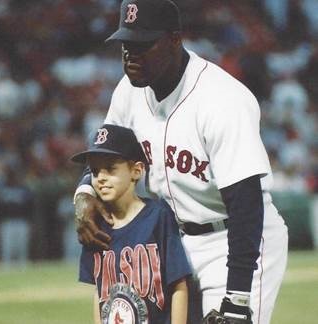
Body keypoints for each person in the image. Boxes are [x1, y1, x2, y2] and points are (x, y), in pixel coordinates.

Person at [74, 0, 288, 323]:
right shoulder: (127, 93)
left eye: (143, 44)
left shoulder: (222, 100)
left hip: (231, 238)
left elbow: (246, 204)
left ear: (175, 39)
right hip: (172, 240)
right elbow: (105, 153)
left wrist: (238, 296)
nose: (132, 55)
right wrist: (84, 194)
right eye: (126, 45)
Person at [71, 124, 191, 324]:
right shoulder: (94, 225)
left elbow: (178, 285)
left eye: (110, 168)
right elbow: (99, 292)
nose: (101, 178)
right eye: (95, 171)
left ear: (136, 170)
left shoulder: (158, 216)